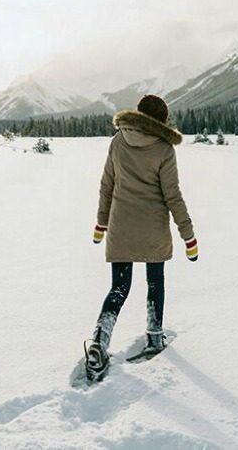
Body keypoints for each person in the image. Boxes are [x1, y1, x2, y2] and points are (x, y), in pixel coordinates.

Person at [84, 94, 198, 382]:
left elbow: (106, 185)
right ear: (160, 121)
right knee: (154, 282)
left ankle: (99, 342)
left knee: (119, 288)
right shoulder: (163, 149)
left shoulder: (118, 141)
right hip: (152, 229)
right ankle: (154, 337)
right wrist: (189, 236)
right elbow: (173, 196)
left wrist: (101, 223)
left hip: (120, 227)